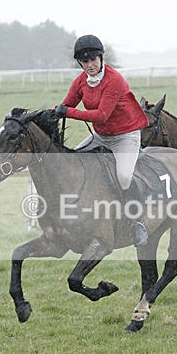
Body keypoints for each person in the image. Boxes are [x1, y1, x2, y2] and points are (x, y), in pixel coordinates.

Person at [54, 35, 150, 247]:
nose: (89, 65)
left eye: (93, 60)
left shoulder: (114, 80)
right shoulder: (81, 81)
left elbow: (101, 115)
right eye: (84, 62)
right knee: (71, 163)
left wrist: (68, 112)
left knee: (124, 177)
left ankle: (139, 222)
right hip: (102, 136)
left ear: (101, 57)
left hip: (125, 136)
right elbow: (66, 104)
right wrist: (46, 115)